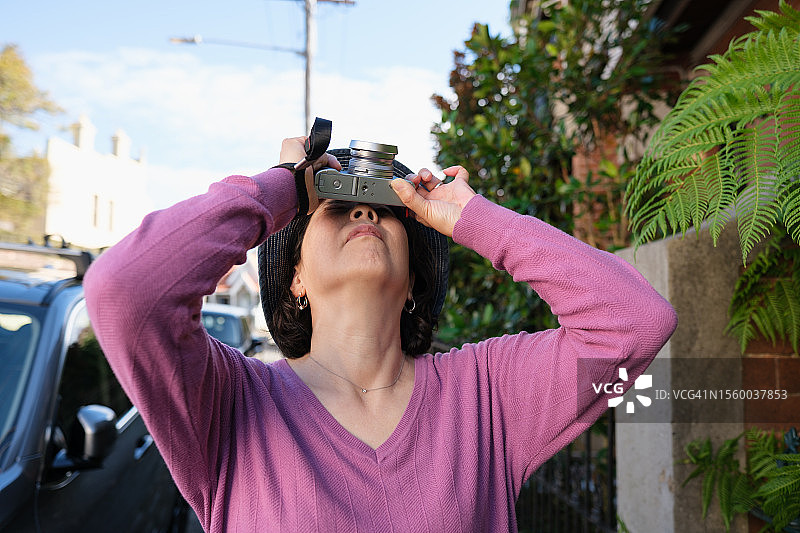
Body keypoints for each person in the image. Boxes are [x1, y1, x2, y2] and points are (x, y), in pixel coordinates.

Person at [84, 135, 677, 532]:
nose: (365, 213)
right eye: (337, 206)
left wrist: (471, 216)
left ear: (416, 276)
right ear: (295, 276)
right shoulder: (231, 405)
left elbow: (634, 321)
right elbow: (125, 290)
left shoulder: (488, 395)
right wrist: (285, 186)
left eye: (386, 209)